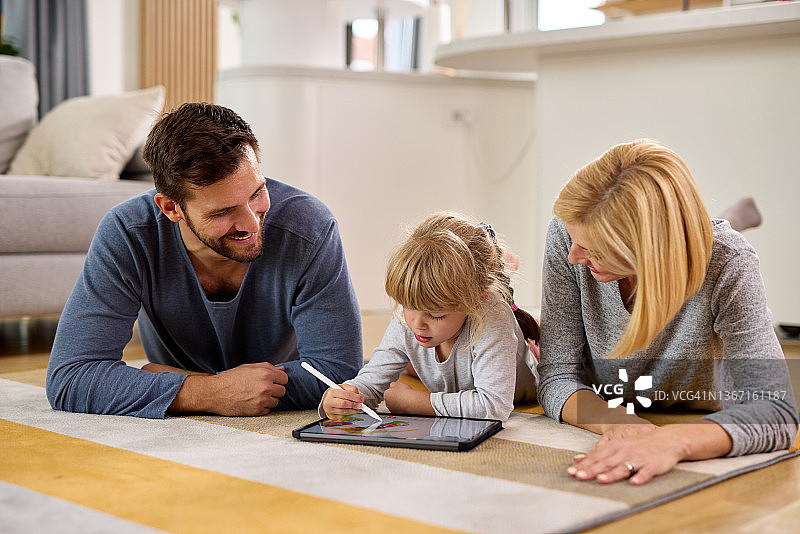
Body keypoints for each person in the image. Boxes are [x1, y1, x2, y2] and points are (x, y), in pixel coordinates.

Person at [45, 103, 363, 418]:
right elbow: (71, 376)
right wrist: (210, 392)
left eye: (256, 193)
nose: (253, 223)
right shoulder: (129, 233)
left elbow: (337, 371)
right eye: (223, 212)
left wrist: (174, 384)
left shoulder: (309, 227)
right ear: (171, 208)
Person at [537, 139, 799, 485]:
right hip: (617, 399)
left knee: (716, 251)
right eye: (575, 240)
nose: (573, 257)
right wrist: (611, 419)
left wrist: (673, 440)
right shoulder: (567, 236)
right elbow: (556, 376)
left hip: (705, 410)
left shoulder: (731, 264)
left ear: (650, 250)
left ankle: (734, 219)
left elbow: (775, 410)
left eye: (595, 250)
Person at [321, 212, 539, 423]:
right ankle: (420, 365)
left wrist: (416, 403)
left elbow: (494, 406)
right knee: (407, 360)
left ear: (475, 300)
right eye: (407, 306)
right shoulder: (410, 316)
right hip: (451, 366)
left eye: (436, 315)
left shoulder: (492, 315)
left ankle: (526, 337)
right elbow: (373, 380)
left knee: (412, 373)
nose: (416, 324)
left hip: (525, 387)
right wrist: (344, 398)